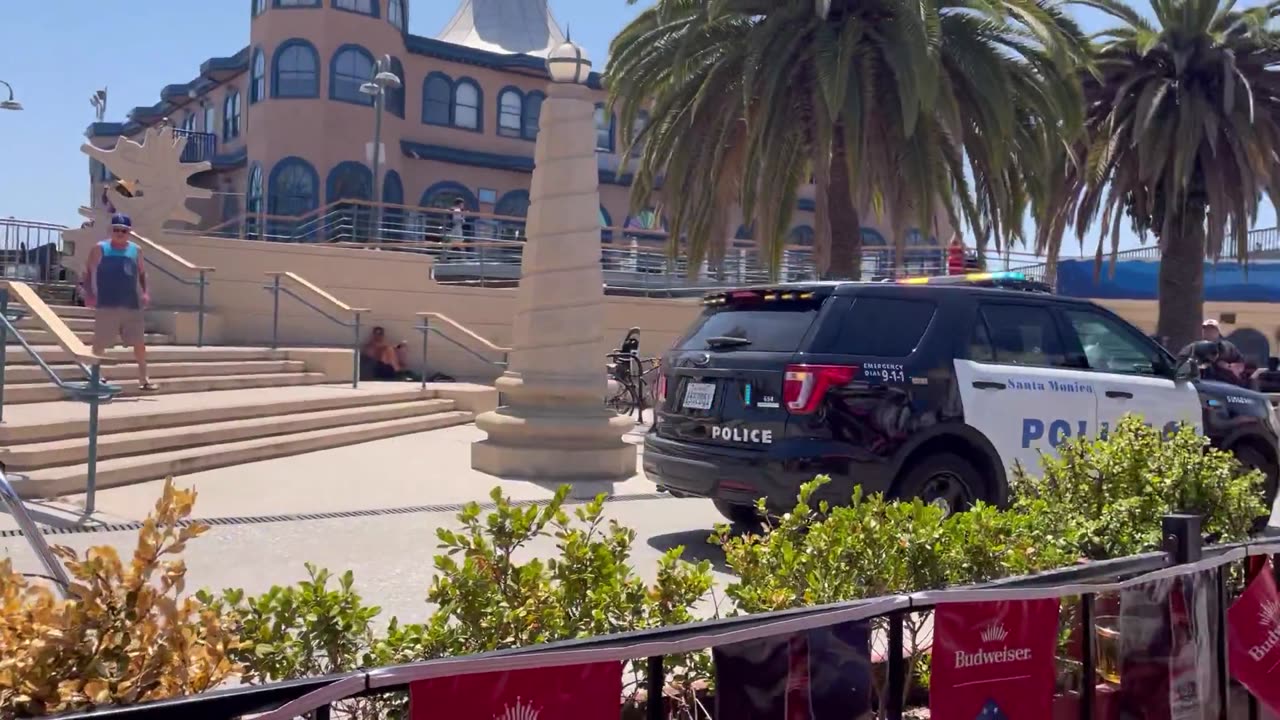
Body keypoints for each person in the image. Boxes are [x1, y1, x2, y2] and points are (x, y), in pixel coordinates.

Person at [83, 214, 156, 391]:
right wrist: (89, 294)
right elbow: (87, 272)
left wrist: (145, 292)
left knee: (139, 343)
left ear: (129, 232)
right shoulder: (100, 248)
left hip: (132, 304)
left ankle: (143, 378)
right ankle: (94, 374)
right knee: (100, 342)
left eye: (123, 230)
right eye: (116, 229)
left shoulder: (136, 250)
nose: (119, 233)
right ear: (111, 230)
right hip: (107, 303)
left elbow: (142, 273)